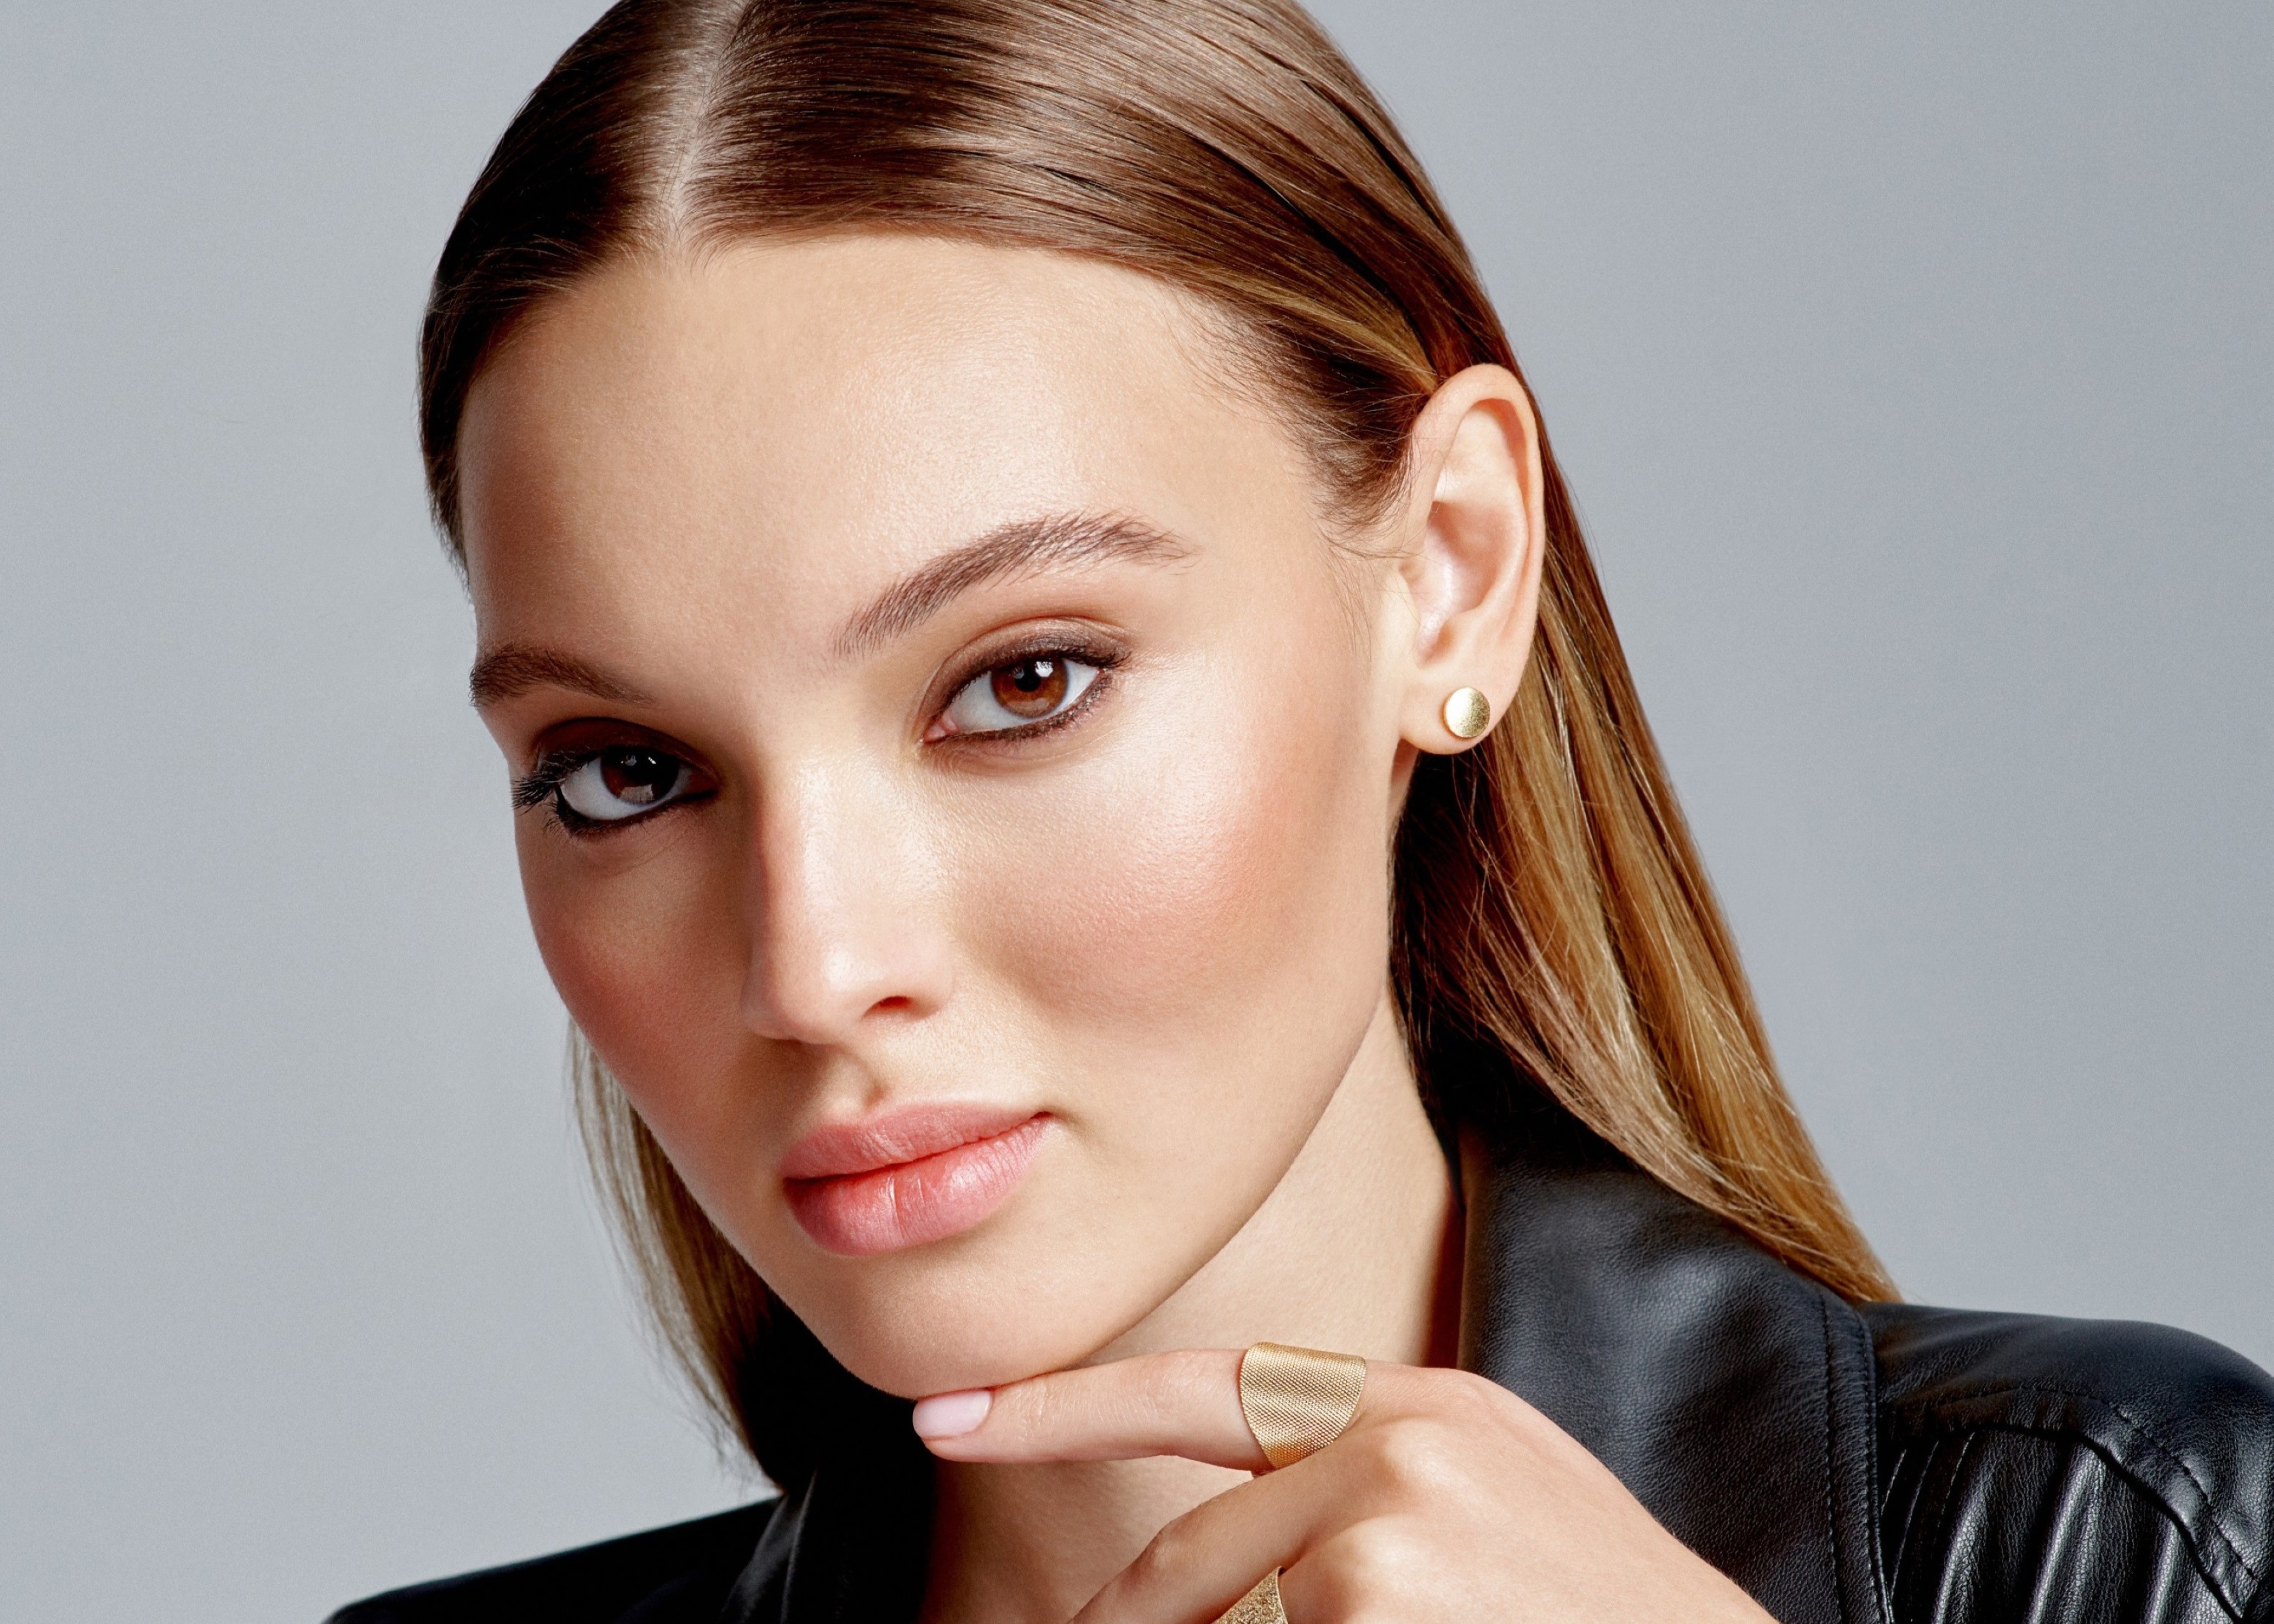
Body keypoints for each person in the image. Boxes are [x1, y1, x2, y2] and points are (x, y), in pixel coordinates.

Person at [332, 2, 2274, 1620]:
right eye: (630, 772)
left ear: (1447, 569)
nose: (815, 965)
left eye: (1023, 682)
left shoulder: (2120, 1545)